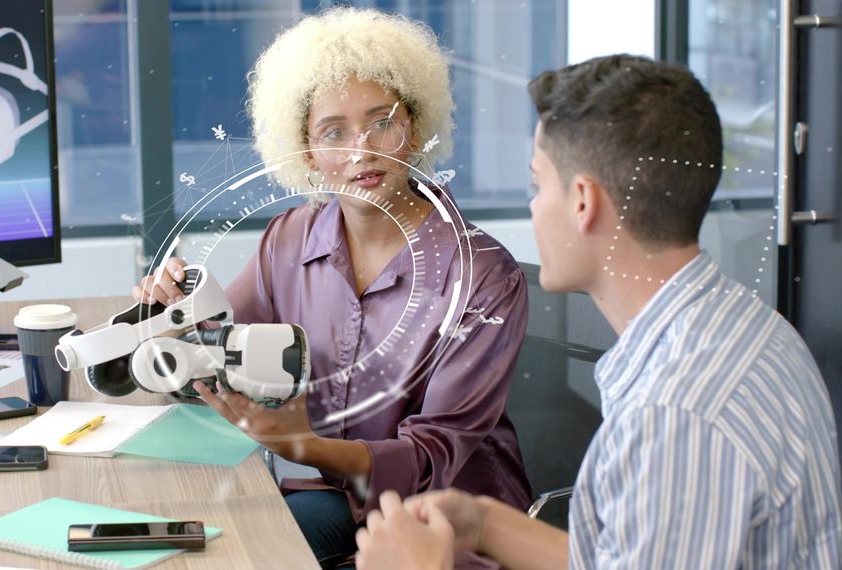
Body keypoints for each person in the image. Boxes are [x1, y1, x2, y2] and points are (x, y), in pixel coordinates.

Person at [354, 54, 842, 569]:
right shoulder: (739, 320)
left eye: (538, 185)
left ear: (583, 201)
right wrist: (484, 523)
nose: (533, 206)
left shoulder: (675, 414)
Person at [135, 7, 532, 569]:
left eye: (381, 122)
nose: (360, 152)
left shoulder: (483, 276)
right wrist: (171, 312)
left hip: (447, 526)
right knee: (207, 547)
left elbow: (431, 458)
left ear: (414, 127)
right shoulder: (290, 239)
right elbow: (215, 346)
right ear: (307, 151)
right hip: (341, 501)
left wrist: (301, 447)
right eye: (333, 132)